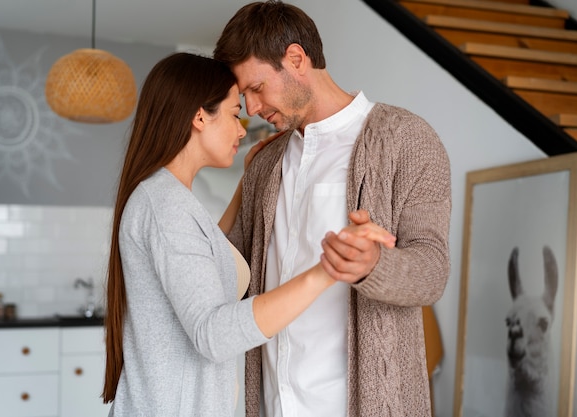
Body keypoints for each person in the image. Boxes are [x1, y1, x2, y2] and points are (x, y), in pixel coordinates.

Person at [213, 1, 452, 416]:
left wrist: (374, 264)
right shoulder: (267, 162)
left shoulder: (406, 139)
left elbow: (432, 271)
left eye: (256, 88)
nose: (251, 109)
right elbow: (224, 274)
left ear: (296, 58)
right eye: (243, 96)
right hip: (273, 404)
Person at [101, 52, 340, 417]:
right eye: (234, 113)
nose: (242, 129)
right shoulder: (164, 204)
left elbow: (204, 254)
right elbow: (213, 334)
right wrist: (325, 272)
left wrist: (247, 186)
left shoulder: (167, 197)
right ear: (200, 116)